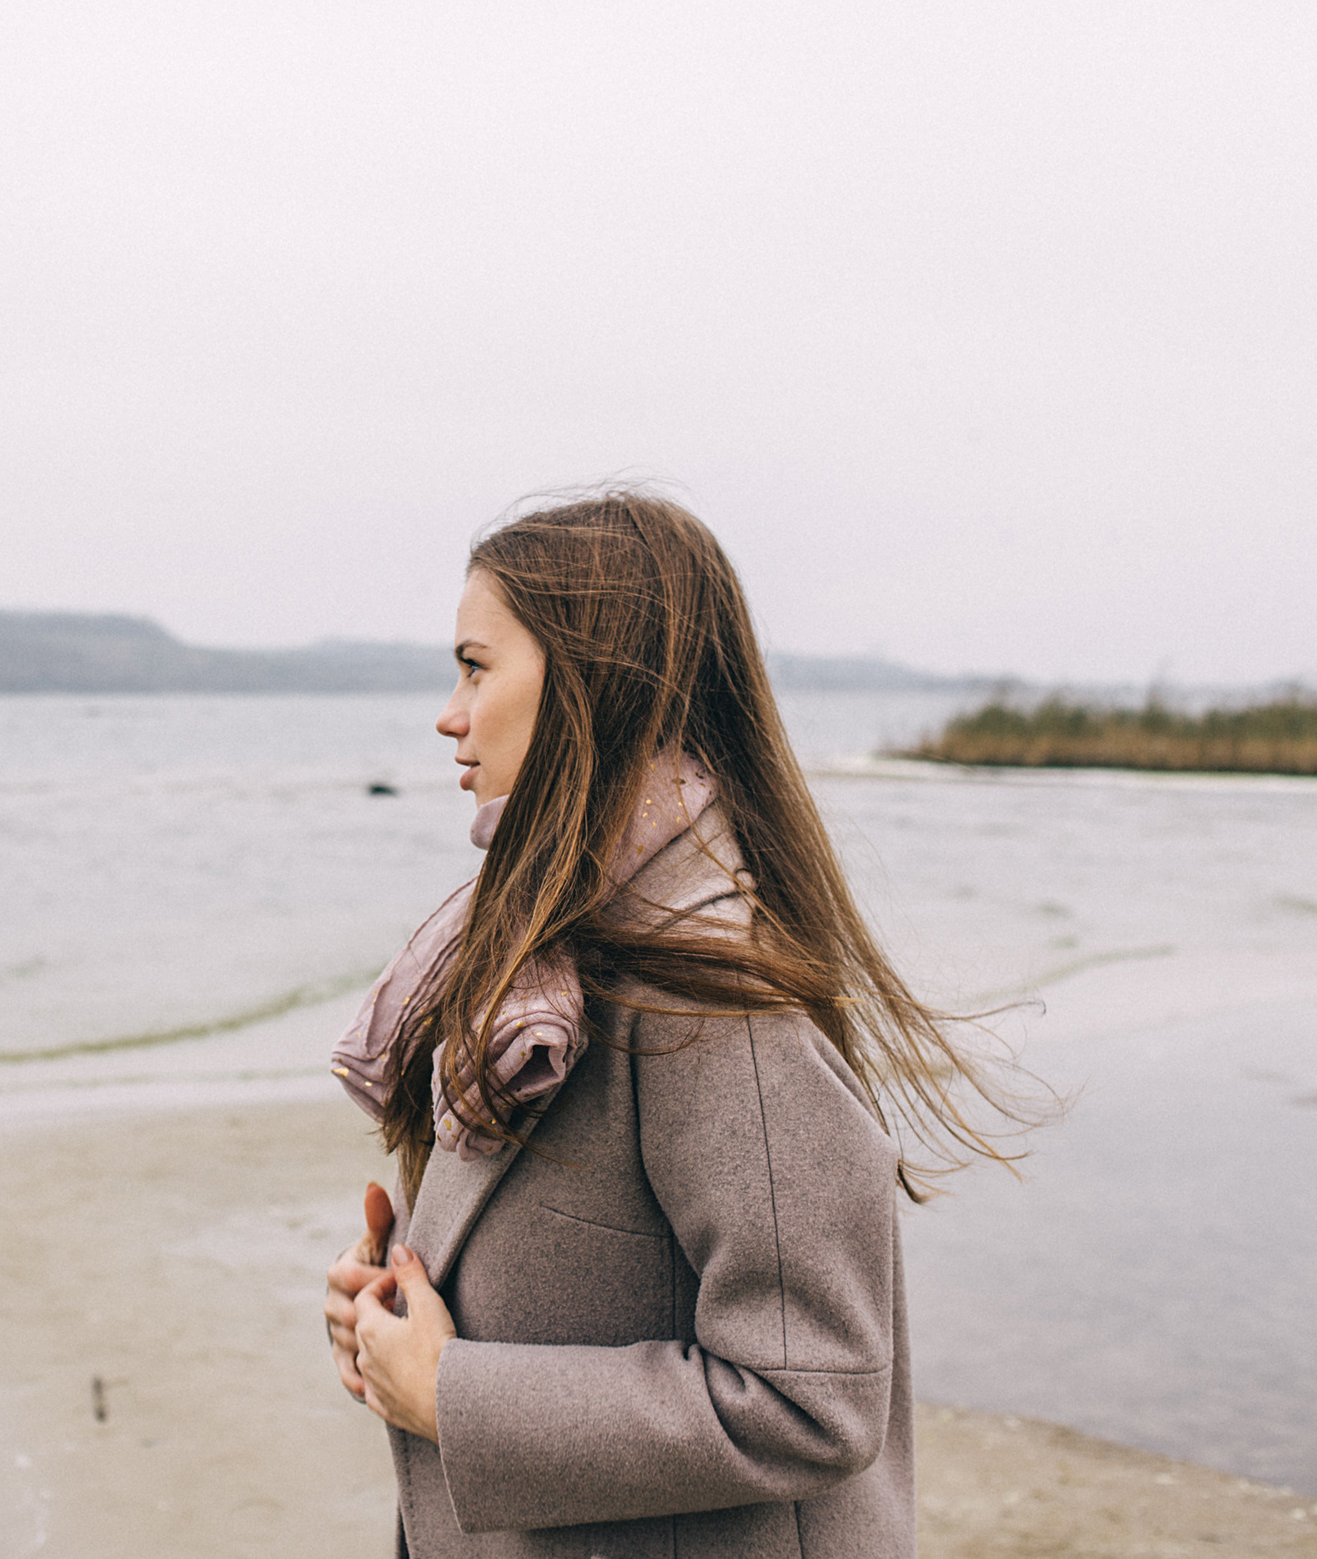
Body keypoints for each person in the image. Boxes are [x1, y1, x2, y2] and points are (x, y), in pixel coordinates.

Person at [323, 490, 1021, 1558]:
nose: (448, 714)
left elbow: (811, 1396)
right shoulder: (530, 958)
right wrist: (399, 1315)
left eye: (474, 666)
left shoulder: (708, 1001)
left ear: (594, 684)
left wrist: (451, 1392)